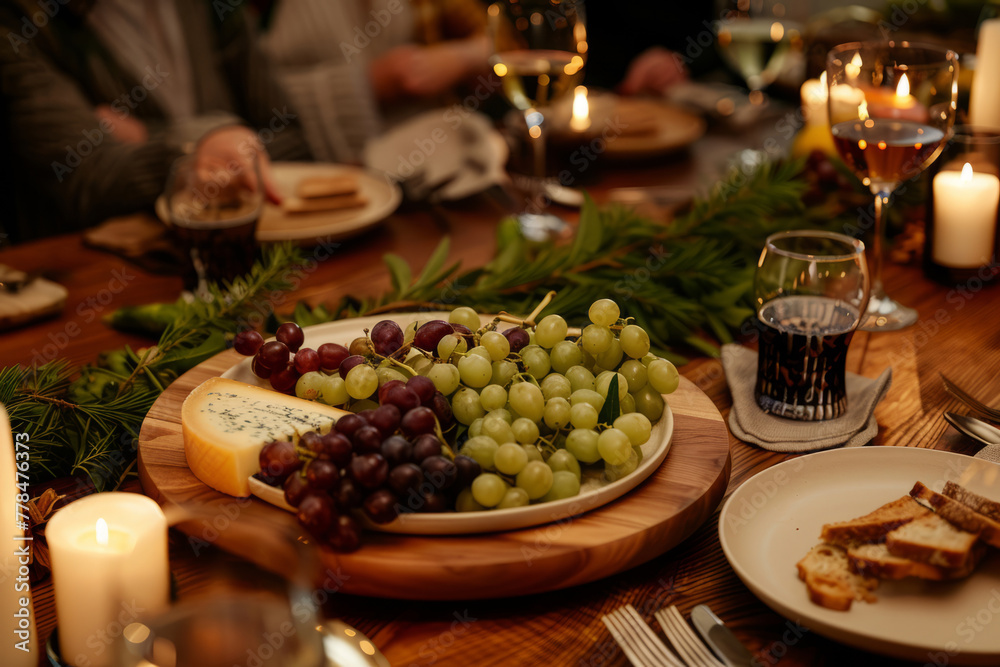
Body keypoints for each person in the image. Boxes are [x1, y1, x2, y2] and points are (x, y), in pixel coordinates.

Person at [0, 0, 311, 243]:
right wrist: (209, 144)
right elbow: (85, 177)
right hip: (109, 279)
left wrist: (152, 135)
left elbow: (291, 137)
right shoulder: (21, 18)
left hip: (258, 255)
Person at [253, 0, 492, 163]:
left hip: (433, 165)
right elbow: (248, 102)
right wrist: (366, 85)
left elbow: (504, 43)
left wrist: (459, 58)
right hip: (310, 171)